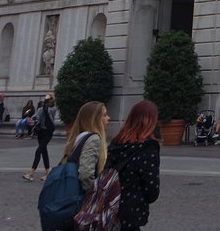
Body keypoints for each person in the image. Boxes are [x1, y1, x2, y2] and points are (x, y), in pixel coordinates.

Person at [108, 99, 161, 231]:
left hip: (109, 203)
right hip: (132, 208)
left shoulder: (116, 142)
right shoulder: (148, 148)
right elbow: (151, 186)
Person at [59, 100, 108, 198]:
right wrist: (96, 195)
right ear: (95, 119)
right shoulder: (94, 139)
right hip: (81, 198)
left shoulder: (78, 137)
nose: (108, 118)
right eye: (105, 115)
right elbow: (86, 174)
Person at [24, 94, 59, 181]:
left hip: (48, 132)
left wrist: (45, 103)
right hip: (41, 132)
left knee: (38, 151)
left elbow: (47, 112)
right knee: (43, 151)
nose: (45, 101)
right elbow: (36, 116)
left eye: (47, 100)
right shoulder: (41, 109)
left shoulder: (53, 109)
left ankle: (31, 173)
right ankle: (47, 172)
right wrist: (32, 120)